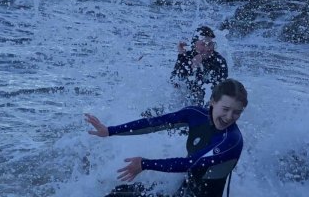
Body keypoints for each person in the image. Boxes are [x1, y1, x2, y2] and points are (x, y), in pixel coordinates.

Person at [85, 78, 248, 197]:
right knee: (119, 191)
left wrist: (144, 164)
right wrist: (110, 130)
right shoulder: (195, 115)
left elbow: (190, 164)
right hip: (184, 191)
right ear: (212, 102)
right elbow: (154, 123)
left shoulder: (231, 141)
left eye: (237, 112)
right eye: (225, 109)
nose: (229, 116)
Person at [170, 26, 228, 107]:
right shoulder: (186, 56)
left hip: (208, 105)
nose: (207, 48)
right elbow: (174, 81)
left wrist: (200, 67)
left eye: (210, 44)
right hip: (185, 101)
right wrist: (182, 56)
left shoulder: (219, 61)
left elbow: (218, 89)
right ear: (194, 45)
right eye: (203, 44)